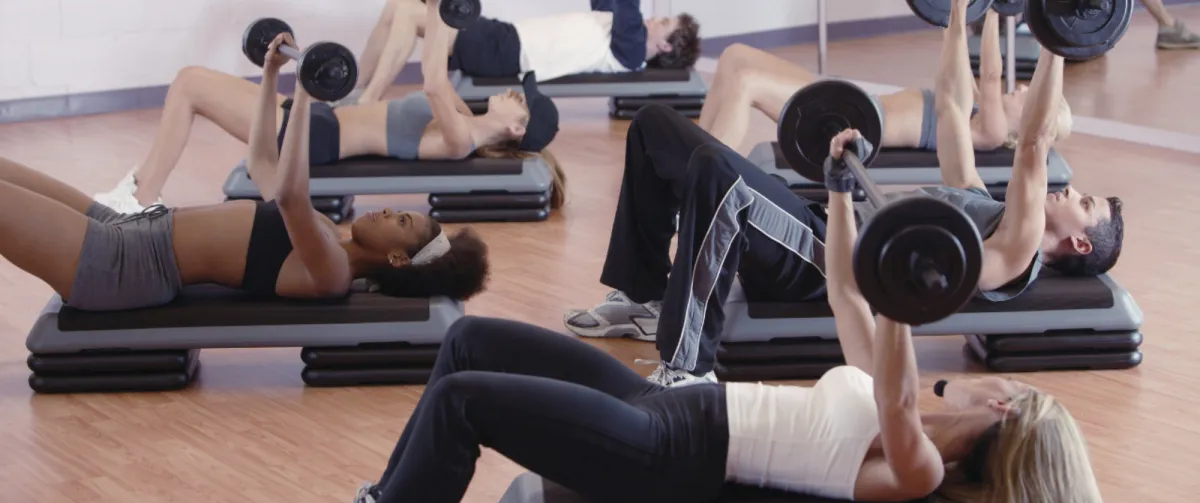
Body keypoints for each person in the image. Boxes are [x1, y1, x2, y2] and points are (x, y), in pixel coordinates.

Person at [299, 112, 1119, 503]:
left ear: (1003, 401)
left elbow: (902, 390)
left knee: (461, 402)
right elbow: (844, 291)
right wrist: (838, 196)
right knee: (470, 342)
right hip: (674, 407)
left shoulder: (919, 466)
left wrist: (904, 290)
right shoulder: (882, 400)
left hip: (671, 457)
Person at [564, 0, 1124, 386]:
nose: (1071, 190)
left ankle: (688, 369)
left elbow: (1033, 145)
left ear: (1077, 243)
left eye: (1085, 203)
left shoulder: (1014, 252)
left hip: (823, 265)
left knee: (715, 167)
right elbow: (954, 104)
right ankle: (644, 294)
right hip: (821, 224)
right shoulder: (981, 203)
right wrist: (959, 10)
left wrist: (1055, 36)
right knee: (655, 124)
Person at [0, 33, 489, 313]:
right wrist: (273, 77)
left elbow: (294, 197)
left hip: (122, 265)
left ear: (399, 260)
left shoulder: (333, 272)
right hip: (124, 229)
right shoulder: (325, 235)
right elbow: (262, 164)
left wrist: (303, 96)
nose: (387, 211)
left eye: (400, 222)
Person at [94, 0, 564, 215]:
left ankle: (139, 199)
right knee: (190, 83)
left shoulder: (460, 139)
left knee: (188, 84)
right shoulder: (464, 115)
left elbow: (434, 79)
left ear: (518, 128)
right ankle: (138, 193)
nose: (511, 93)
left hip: (319, 138)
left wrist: (443, 11)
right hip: (325, 116)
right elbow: (407, 22)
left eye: (520, 100)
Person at [697, 9, 1072, 154]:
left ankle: (704, 183)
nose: (1024, 88)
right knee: (735, 57)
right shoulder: (969, 109)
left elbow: (992, 75)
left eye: (1033, 98)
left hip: (847, 119)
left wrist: (991, 11)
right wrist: (956, 13)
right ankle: (690, 163)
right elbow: (956, 47)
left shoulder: (989, 132)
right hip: (852, 99)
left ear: (1031, 126)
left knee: (744, 80)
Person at [344, 0, 702, 106]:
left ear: (665, 45)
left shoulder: (632, 48)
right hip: (505, 37)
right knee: (399, 6)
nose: (655, 18)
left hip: (506, 52)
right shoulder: (625, 35)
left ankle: (369, 101)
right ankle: (356, 90)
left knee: (407, 12)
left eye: (664, 22)